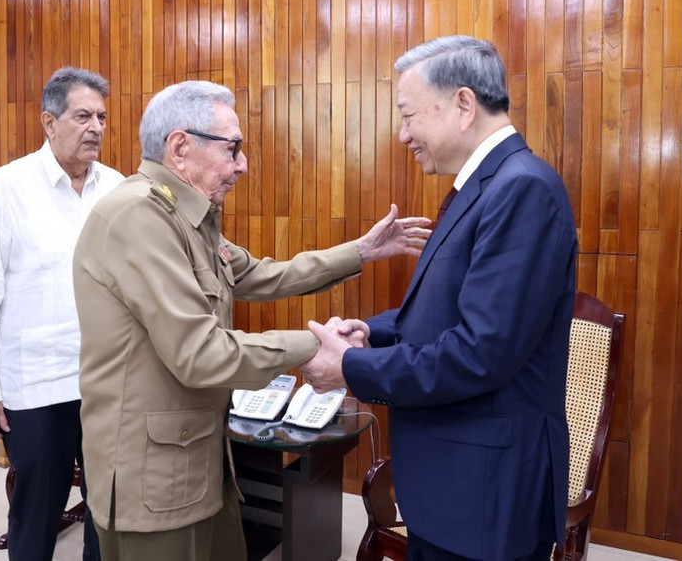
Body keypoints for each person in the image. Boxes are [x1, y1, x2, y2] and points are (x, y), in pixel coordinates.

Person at [72, 79, 431, 561]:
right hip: (152, 475)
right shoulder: (141, 218)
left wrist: (361, 251)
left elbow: (261, 275)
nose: (242, 164)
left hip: (197, 461)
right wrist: (318, 346)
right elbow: (200, 355)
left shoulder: (186, 213)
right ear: (180, 147)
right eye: (233, 148)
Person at [302, 35, 578, 561]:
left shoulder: (522, 189)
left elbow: (481, 354)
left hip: (484, 494)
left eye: (409, 115)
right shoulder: (484, 186)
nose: (403, 134)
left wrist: (354, 368)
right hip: (452, 483)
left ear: (463, 104)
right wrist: (372, 331)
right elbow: (449, 310)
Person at [0, 67, 125, 561]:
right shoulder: (6, 189)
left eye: (101, 117)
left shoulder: (116, 188)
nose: (95, 126)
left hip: (104, 382)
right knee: (35, 514)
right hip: (35, 386)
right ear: (49, 122)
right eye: (82, 116)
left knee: (107, 512)